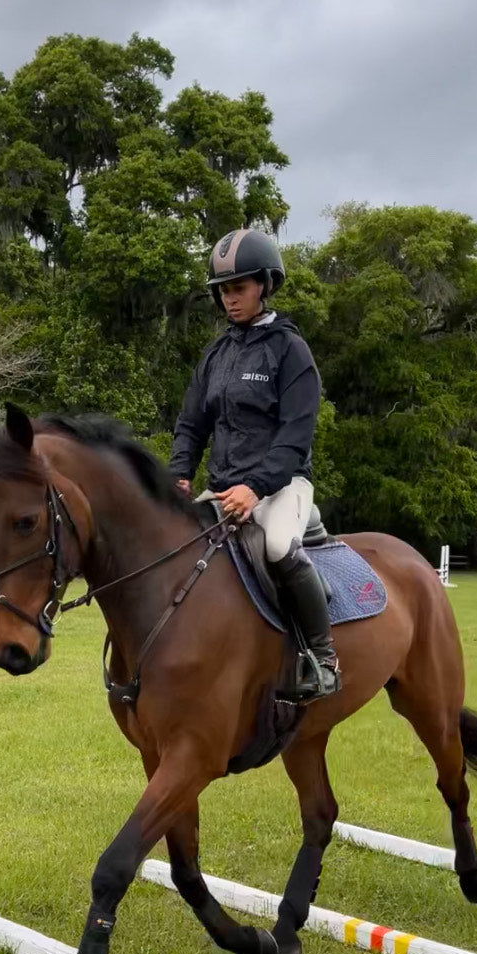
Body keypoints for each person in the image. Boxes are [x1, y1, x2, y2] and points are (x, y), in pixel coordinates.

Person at [169, 227, 340, 699]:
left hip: (282, 485)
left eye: (239, 288)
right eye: (224, 290)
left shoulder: (291, 351)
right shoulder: (217, 354)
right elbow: (191, 423)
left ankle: (322, 658)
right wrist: (178, 473)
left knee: (279, 546)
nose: (230, 299)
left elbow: (294, 436)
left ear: (264, 285)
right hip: (223, 485)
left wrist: (256, 488)